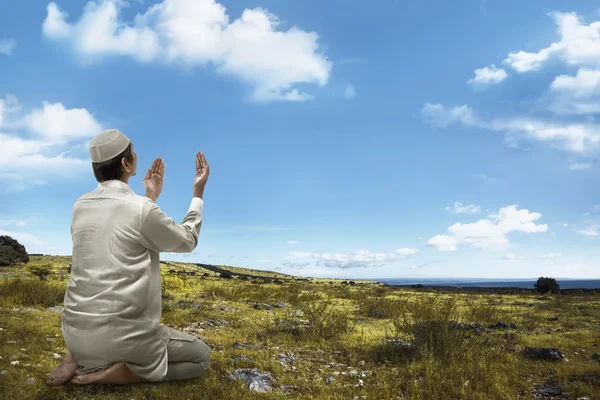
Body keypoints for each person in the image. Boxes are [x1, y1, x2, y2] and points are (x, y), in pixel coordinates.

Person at [46, 129, 211, 385]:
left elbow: (124, 231)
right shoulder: (140, 209)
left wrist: (150, 197)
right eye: (133, 153)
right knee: (201, 358)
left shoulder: (80, 205)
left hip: (76, 335)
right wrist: (197, 194)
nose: (136, 157)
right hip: (124, 339)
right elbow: (187, 240)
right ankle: (121, 374)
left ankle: (76, 359)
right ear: (126, 164)